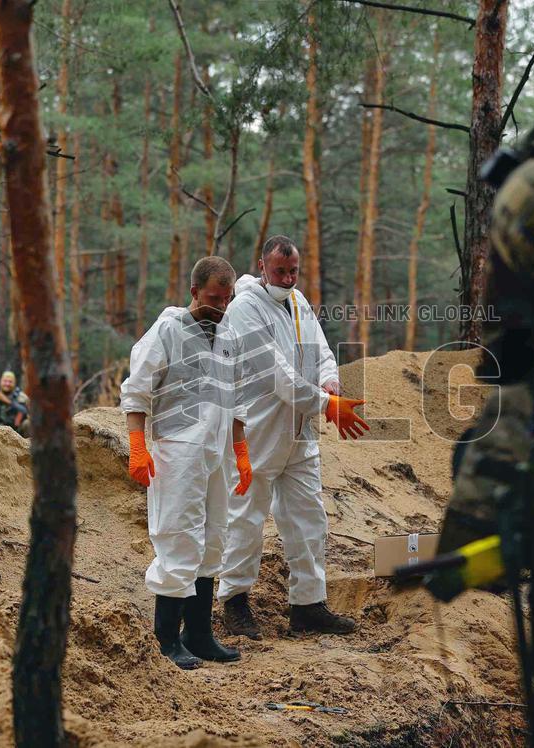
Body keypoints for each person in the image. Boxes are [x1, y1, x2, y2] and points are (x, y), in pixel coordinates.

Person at [217, 235, 369, 638]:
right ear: (262, 266)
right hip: (259, 428)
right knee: (246, 516)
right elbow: (278, 375)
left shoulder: (299, 304)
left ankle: (308, 604)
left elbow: (320, 350)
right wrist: (325, 404)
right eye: (280, 271)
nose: (287, 278)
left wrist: (330, 382)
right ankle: (234, 602)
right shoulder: (245, 309)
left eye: (293, 271)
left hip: (300, 432)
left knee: (308, 517)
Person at [120, 256, 252, 670]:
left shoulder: (229, 334)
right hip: (177, 449)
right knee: (179, 536)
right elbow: (137, 391)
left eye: (227, 299)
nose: (221, 306)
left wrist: (241, 450)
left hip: (216, 453)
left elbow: (238, 397)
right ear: (194, 291)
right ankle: (165, 639)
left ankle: (198, 633)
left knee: (214, 537)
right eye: (214, 298)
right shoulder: (166, 331)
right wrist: (137, 445)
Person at [0, 370, 29, 436]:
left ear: (14, 383)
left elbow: (24, 411)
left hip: (18, 430)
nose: (7, 384)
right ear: (0, 382)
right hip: (0, 428)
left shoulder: (21, 396)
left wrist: (7, 401)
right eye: (5, 381)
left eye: (10, 382)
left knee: (27, 423)